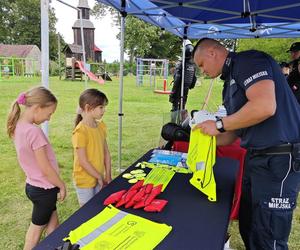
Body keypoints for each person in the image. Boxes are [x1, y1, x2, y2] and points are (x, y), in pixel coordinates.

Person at [193, 38, 300, 249]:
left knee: (269, 235)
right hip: (255, 157)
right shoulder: (228, 84)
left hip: (279, 159)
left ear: (213, 52)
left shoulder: (249, 61)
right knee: (250, 226)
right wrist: (201, 140)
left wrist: (219, 124)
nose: (202, 72)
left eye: (201, 65)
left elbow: (264, 106)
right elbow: (233, 133)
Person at [6, 86, 66, 250]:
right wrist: (62, 185)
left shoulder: (19, 127)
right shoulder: (34, 132)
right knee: (34, 234)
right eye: (49, 114)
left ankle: (55, 246)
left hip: (34, 186)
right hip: (44, 190)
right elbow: (45, 168)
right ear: (38, 108)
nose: (49, 118)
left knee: (54, 226)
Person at [72, 88, 112, 207]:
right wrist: (99, 176)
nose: (104, 110)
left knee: (98, 208)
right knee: (87, 212)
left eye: (104, 107)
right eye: (101, 107)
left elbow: (106, 154)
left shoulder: (101, 127)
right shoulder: (80, 132)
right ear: (88, 108)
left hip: (98, 177)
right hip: (84, 181)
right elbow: (83, 162)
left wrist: (108, 175)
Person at [169, 40, 197, 112]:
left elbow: (177, 79)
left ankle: (175, 120)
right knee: (183, 104)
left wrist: (173, 93)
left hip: (179, 87)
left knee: (175, 105)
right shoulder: (193, 64)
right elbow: (194, 78)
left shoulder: (182, 64)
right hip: (186, 87)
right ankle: (181, 118)